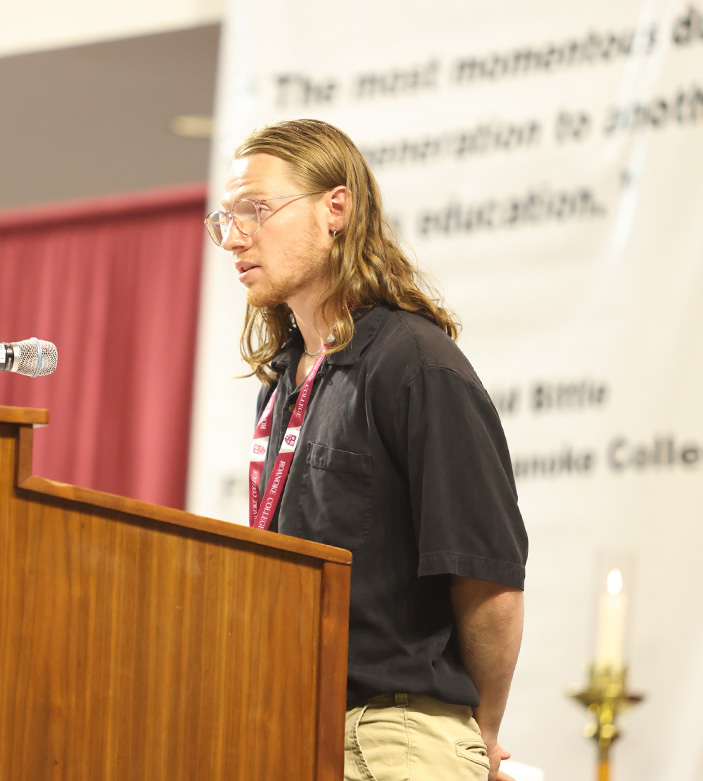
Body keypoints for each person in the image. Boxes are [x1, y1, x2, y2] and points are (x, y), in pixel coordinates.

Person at [205, 119, 528, 781]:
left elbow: (490, 578)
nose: (235, 235)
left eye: (256, 210)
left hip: (393, 738)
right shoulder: (283, 380)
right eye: (226, 217)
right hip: (292, 726)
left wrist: (480, 729)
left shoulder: (415, 363)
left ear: (336, 208)